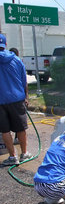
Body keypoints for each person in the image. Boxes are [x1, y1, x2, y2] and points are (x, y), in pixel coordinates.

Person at [0, 34, 32, 166]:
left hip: (1, 102)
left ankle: (13, 157)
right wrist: (26, 97)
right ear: (5, 45)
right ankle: (24, 153)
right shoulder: (17, 60)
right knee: (21, 128)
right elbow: (24, 81)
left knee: (5, 130)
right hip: (17, 99)